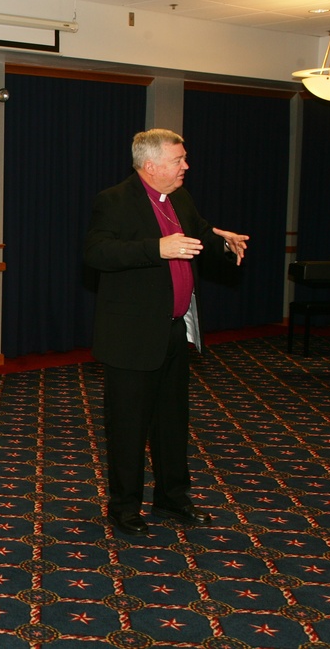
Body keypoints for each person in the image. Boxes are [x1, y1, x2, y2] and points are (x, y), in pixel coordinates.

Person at [84, 129, 248, 537]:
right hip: (132, 336)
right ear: (151, 165)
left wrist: (220, 240)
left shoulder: (180, 197)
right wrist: (156, 248)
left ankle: (173, 500)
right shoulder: (115, 200)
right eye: (179, 160)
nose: (186, 166)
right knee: (128, 426)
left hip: (176, 331)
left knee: (172, 422)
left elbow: (197, 231)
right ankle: (124, 509)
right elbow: (97, 253)